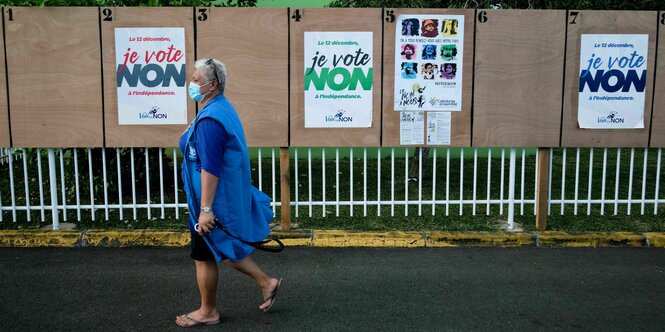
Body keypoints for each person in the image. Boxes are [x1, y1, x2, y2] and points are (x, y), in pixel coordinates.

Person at [176, 58, 282, 328]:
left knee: (204, 255)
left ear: (212, 85)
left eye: (197, 80)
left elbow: (210, 167)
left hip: (212, 201)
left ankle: (208, 311)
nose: (192, 84)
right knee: (221, 248)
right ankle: (266, 282)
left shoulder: (212, 120)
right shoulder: (219, 108)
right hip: (215, 198)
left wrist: (206, 210)